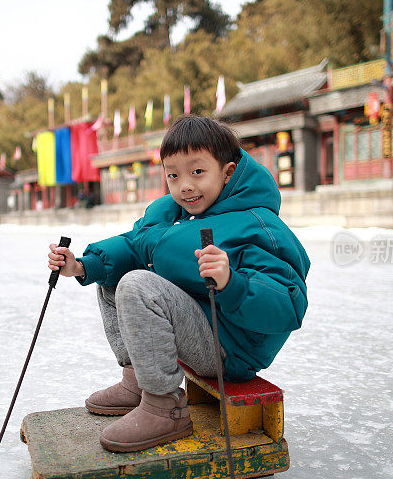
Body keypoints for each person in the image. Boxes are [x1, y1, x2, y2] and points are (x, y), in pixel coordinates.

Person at [48, 115, 310, 453]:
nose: (184, 185)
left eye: (197, 172)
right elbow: (133, 245)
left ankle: (165, 408)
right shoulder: (172, 212)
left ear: (227, 172)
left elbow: (288, 305)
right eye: (174, 175)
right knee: (111, 278)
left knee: (138, 285)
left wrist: (233, 283)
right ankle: (138, 383)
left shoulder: (257, 225)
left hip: (231, 346)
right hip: (199, 322)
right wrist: (82, 266)